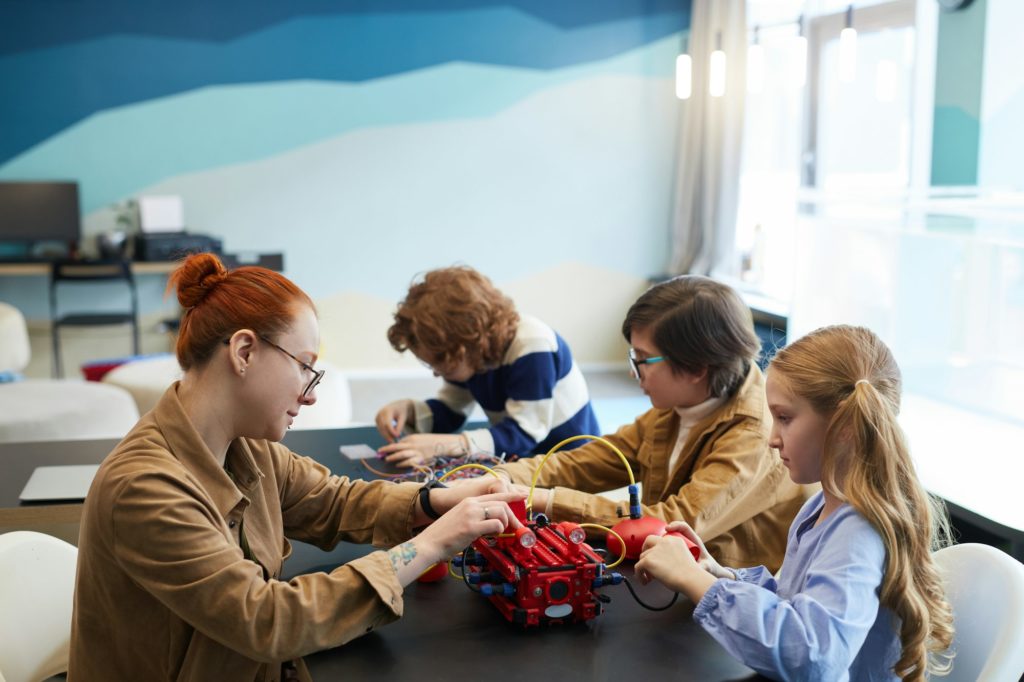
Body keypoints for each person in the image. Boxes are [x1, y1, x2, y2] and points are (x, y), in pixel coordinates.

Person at [69, 253, 522, 682]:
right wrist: (428, 546)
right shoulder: (144, 488)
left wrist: (434, 501)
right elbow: (267, 620)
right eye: (305, 366)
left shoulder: (245, 446)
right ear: (244, 352)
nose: (311, 395)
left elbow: (332, 500)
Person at [636, 325, 955, 680]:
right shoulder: (821, 506)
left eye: (785, 418)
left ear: (845, 426)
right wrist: (716, 574)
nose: (772, 439)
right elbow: (793, 602)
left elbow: (813, 657)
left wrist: (695, 580)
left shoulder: (858, 533)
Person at [491, 275, 809, 572]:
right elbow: (593, 460)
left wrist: (542, 499)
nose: (634, 372)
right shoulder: (683, 400)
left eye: (642, 359)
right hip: (668, 568)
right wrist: (504, 476)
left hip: (719, 587)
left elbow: (673, 521)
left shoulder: (754, 432)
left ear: (697, 368)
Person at [374, 265, 600, 467]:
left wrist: (446, 446)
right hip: (522, 458)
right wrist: (410, 411)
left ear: (468, 347)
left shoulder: (533, 346)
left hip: (569, 462)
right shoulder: (470, 355)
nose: (436, 373)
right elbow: (452, 410)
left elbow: (524, 432)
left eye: (442, 365)